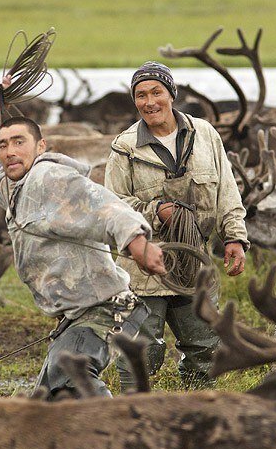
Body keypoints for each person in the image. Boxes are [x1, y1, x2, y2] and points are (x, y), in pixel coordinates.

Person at [0, 77, 166, 400]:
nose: (9, 152)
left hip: (104, 310)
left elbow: (103, 205)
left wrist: (137, 242)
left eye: (19, 142)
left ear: (41, 147)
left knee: (70, 374)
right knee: (48, 402)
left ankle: (125, 431)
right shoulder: (17, 189)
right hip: (77, 316)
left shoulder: (50, 177)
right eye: (3, 145)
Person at [104, 61, 248, 389]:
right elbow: (112, 208)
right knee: (139, 354)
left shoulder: (205, 135)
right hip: (142, 270)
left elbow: (227, 190)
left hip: (193, 265)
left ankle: (198, 407)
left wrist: (234, 237)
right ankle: (133, 412)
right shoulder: (124, 148)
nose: (149, 102)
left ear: (172, 94)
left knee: (205, 348)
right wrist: (157, 211)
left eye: (157, 92)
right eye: (141, 95)